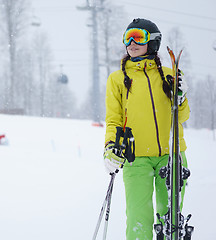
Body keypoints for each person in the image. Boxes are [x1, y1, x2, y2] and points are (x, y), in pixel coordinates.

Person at [103, 18, 190, 239]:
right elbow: (113, 119)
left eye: (138, 37)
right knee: (138, 219)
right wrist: (110, 147)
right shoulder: (117, 79)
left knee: (168, 216)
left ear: (153, 41)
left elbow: (183, 116)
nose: (131, 42)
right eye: (127, 37)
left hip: (171, 156)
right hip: (136, 158)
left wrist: (180, 98)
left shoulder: (170, 74)